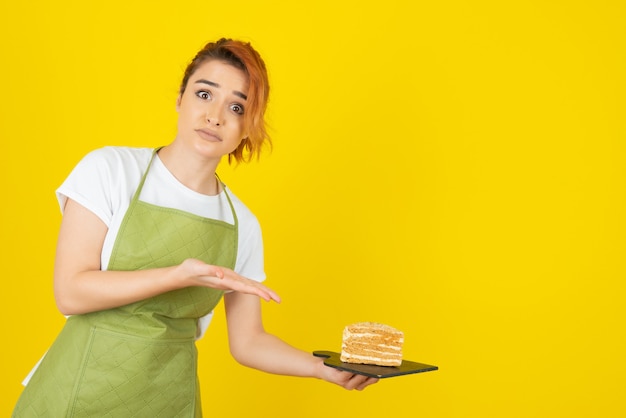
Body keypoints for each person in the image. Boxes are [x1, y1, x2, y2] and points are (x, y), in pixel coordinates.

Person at [12, 38, 378, 417]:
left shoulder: (241, 224)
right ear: (180, 99)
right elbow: (70, 293)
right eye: (205, 94)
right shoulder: (111, 170)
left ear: (246, 127)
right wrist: (179, 275)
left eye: (236, 106)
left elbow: (248, 342)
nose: (215, 116)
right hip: (76, 393)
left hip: (168, 400)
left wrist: (322, 369)